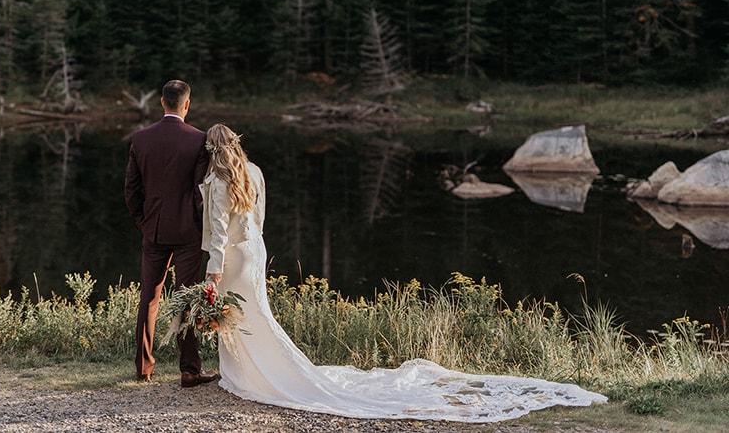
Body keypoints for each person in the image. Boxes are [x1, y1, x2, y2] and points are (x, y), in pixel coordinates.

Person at [200, 123, 607, 422]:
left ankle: (244, 375)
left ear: (212, 149)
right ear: (236, 144)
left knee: (239, 317)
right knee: (257, 316)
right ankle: (250, 372)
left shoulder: (218, 180)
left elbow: (218, 232)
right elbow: (263, 218)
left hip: (234, 255)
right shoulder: (253, 173)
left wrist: (212, 273)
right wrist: (256, 245)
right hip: (255, 248)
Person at [124, 79, 219, 388]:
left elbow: (131, 189)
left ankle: (143, 367)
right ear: (187, 105)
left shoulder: (140, 138)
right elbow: (199, 191)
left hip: (152, 229)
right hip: (188, 232)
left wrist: (142, 221)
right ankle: (189, 370)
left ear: (162, 103)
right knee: (185, 299)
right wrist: (193, 222)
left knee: (148, 298)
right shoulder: (199, 140)